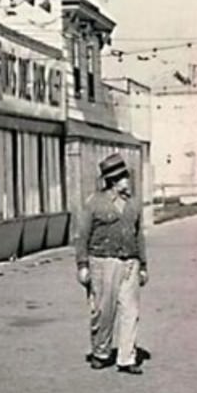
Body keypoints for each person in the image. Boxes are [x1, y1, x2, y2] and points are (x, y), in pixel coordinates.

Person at [74, 152, 149, 375]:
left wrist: (143, 265)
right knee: (103, 311)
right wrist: (82, 265)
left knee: (130, 311)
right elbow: (82, 236)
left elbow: (139, 236)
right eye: (124, 177)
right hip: (102, 263)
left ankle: (127, 358)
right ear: (114, 182)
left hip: (130, 263)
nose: (128, 181)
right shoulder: (94, 203)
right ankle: (101, 352)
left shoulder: (133, 204)